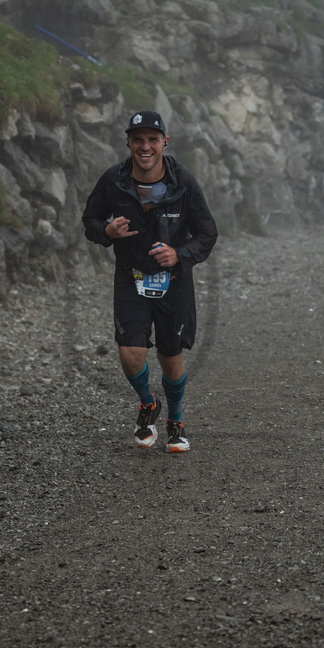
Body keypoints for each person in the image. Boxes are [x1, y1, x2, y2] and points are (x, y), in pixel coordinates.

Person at [82, 111, 218, 453]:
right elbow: (91, 220)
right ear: (128, 142)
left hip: (174, 280)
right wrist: (106, 232)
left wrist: (179, 254)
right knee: (130, 352)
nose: (145, 146)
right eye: (138, 139)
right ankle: (147, 403)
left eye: (152, 139)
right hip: (131, 276)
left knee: (170, 356)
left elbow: (207, 233)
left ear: (164, 143)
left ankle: (175, 420)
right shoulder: (113, 180)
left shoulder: (183, 182)